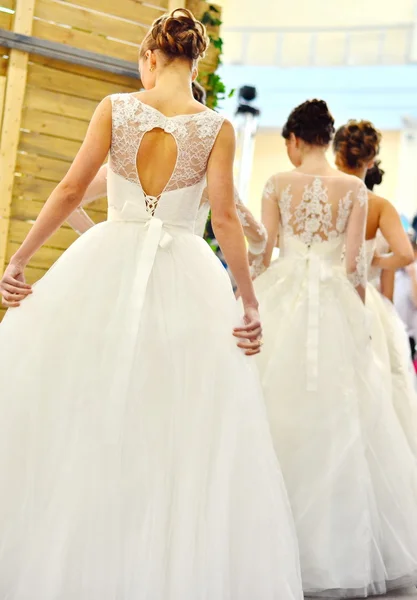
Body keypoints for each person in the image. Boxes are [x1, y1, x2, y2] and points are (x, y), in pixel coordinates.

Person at [0, 9, 303, 599]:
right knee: (177, 420)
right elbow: (224, 221)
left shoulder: (114, 110)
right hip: (187, 276)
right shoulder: (215, 127)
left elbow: (67, 190)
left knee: (85, 404)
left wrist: (17, 260)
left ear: (150, 57)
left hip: (104, 266)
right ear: (196, 64)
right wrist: (249, 303)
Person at [249, 99, 417, 597]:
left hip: (284, 299)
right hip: (333, 303)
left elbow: (266, 252)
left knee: (274, 408)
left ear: (296, 140)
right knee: (339, 419)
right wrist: (360, 324)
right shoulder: (355, 191)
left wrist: (248, 299)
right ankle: (333, 548)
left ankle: (267, 542)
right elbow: (353, 270)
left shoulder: (277, 183)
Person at [67, 81, 267, 257]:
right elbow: (254, 234)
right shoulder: (207, 180)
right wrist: (257, 255)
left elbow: (70, 205)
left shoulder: (120, 168)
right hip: (178, 268)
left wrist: (106, 244)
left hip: (122, 262)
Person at [333, 120, 417, 455]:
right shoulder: (379, 207)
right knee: (374, 386)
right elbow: (405, 254)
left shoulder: (323, 193)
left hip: (323, 293)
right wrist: (374, 260)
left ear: (337, 153)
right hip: (366, 303)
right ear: (371, 161)